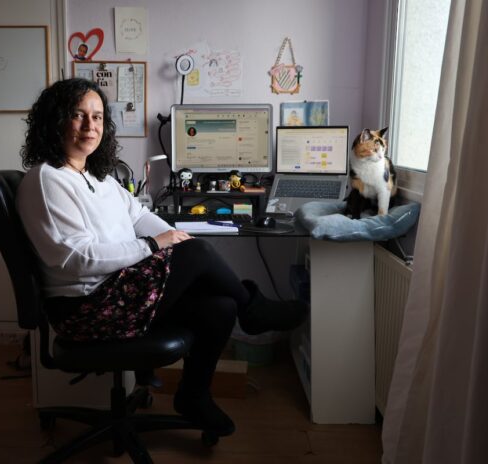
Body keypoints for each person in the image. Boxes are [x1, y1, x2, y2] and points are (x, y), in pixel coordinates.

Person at [17, 78, 307, 437]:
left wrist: (175, 239)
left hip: (114, 292)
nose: (90, 125)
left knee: (220, 306)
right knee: (198, 252)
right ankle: (254, 309)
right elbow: (78, 258)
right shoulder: (48, 180)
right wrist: (155, 246)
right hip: (86, 308)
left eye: (97, 116)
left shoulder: (98, 176)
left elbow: (138, 216)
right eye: (78, 115)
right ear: (56, 120)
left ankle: (194, 396)